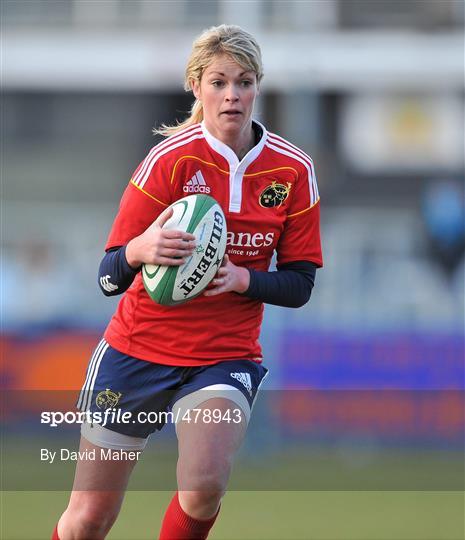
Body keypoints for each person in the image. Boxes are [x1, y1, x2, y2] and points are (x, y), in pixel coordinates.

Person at [53, 24, 322, 540]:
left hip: (224, 354)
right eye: (218, 82)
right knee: (88, 519)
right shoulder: (169, 160)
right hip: (137, 351)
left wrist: (245, 279)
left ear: (258, 87)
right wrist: (140, 250)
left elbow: (301, 284)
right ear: (196, 87)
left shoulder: (293, 170)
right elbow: (109, 277)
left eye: (244, 82)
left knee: (203, 487)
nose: (232, 95)